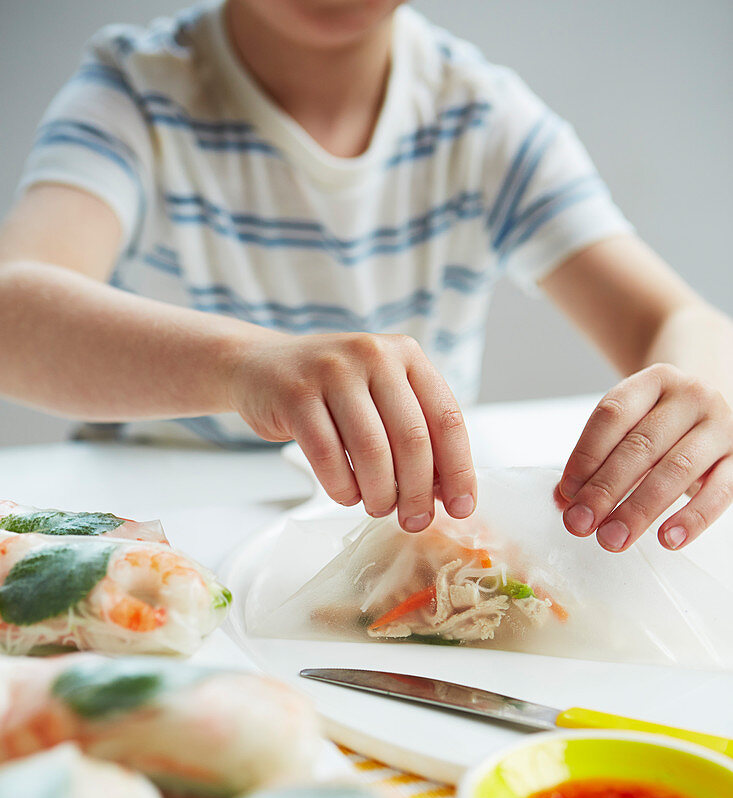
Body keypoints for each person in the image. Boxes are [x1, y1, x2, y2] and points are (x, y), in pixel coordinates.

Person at [0, 0, 731, 551]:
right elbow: (13, 307)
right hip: (156, 523)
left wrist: (700, 393)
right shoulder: (135, 91)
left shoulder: (481, 117)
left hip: (387, 529)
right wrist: (243, 365)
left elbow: (680, 321)